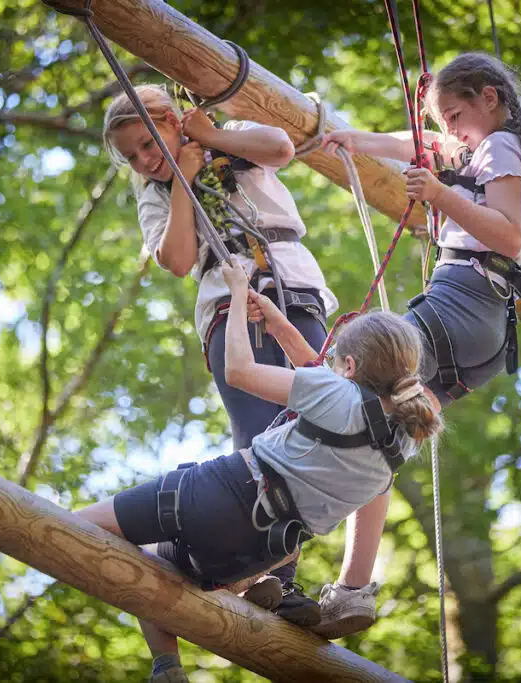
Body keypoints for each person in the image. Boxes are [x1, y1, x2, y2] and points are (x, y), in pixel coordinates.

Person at [0, 262, 443, 683]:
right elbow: (318, 374)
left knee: (72, 525)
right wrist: (276, 319)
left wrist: (240, 298)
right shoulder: (394, 453)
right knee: (154, 572)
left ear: (348, 366)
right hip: (253, 551)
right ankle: (166, 667)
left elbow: (242, 371)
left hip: (213, 493)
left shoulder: (329, 393)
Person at [312, 51, 521, 639]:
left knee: (358, 361)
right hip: (480, 328)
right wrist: (348, 137)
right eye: (442, 119)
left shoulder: (500, 147)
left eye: (455, 114)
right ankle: (351, 590)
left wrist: (440, 198)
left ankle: (278, 518)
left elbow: (510, 235)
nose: (449, 129)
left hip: (462, 303)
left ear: (489, 98)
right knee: (381, 436)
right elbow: (413, 144)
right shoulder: (482, 146)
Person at [102, 84, 341, 623]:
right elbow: (178, 259)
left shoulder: (227, 140)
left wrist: (206, 137)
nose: (145, 159)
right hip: (228, 302)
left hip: (294, 290)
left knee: (312, 429)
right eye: (132, 156)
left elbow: (281, 149)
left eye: (149, 142)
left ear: (171, 120)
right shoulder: (155, 191)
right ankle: (272, 576)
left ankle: (274, 573)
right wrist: (182, 178)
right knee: (260, 436)